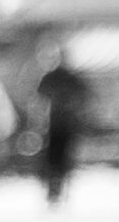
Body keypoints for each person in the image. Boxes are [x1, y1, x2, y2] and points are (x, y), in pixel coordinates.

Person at [34, 49, 87, 205]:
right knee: (53, 158)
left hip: (65, 125)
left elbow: (83, 97)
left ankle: (59, 189)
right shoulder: (53, 77)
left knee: (62, 159)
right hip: (53, 124)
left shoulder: (70, 78)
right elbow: (40, 96)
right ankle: (53, 189)